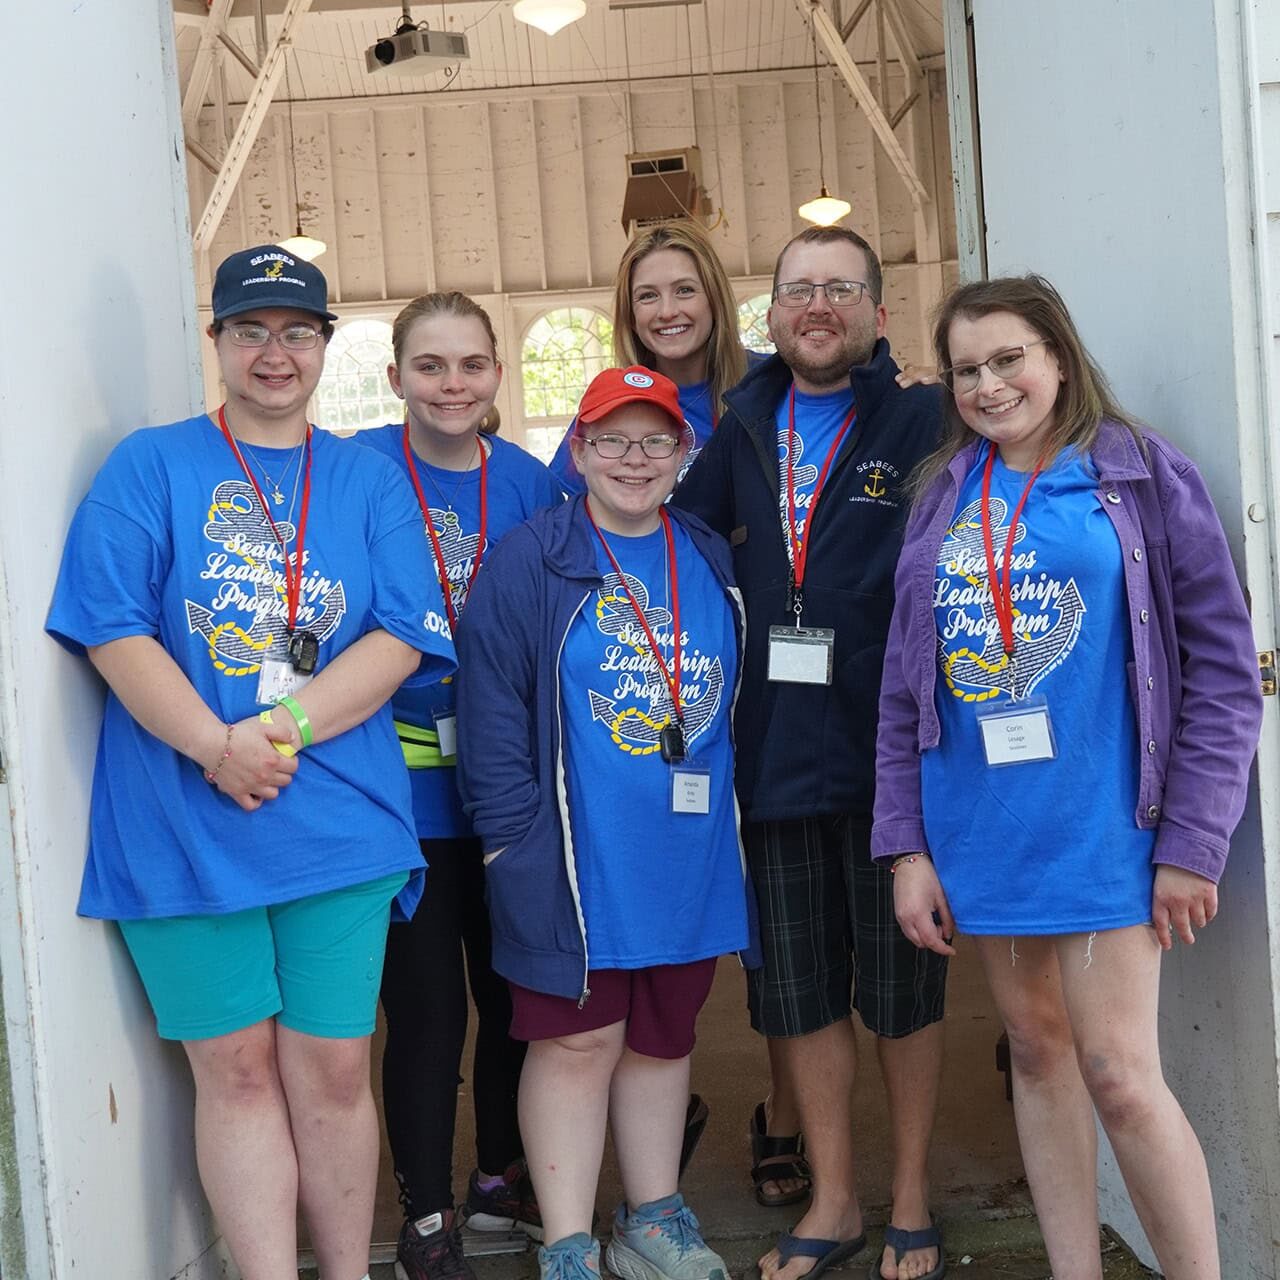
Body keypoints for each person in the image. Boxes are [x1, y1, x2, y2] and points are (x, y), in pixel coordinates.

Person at [46, 246, 456, 1280]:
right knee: (230, 1069)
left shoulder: (368, 477)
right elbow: (111, 625)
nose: (274, 352)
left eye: (297, 331)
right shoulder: (151, 465)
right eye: (250, 330)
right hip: (181, 822)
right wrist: (210, 746)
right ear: (218, 340)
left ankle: (347, 1270)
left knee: (328, 1065)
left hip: (337, 819)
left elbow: (400, 635)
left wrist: (275, 737)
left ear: (325, 344)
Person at [873, 274, 1262, 1280]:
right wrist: (905, 845)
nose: (989, 384)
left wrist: (1190, 840)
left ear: (1056, 355)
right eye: (965, 369)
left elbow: (1223, 673)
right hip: (980, 821)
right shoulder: (945, 494)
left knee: (1119, 1074)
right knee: (1035, 1050)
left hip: (1107, 826)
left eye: (1007, 358)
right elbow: (901, 688)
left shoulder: (1136, 476)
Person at [673, 226, 949, 1280]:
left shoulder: (925, 415)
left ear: (877, 311)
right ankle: (833, 1199)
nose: (817, 305)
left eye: (840, 287)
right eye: (797, 290)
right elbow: (670, 535)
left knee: (902, 989)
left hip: (894, 754)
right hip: (773, 753)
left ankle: (911, 1192)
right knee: (797, 992)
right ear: (771, 313)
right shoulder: (738, 424)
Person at [455, 366, 757, 1280]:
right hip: (573, 857)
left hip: (685, 848)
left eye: (655, 440)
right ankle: (567, 1243)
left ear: (682, 453)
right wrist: (511, 845)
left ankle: (652, 1220)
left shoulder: (704, 551)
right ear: (576, 450)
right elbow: (494, 718)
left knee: (666, 1036)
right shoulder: (529, 559)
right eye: (612, 439)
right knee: (577, 1040)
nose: (635, 458)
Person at [352, 291, 563, 1280]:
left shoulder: (525, 484)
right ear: (395, 377)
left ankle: (499, 1178)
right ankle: (425, 1212)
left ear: (495, 376)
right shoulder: (353, 476)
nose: (450, 384)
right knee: (427, 1010)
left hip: (506, 795)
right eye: (429, 366)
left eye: (470, 364)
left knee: (514, 995)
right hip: (398, 799)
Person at [548, 219, 761, 494]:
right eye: (648, 296)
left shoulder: (768, 384)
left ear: (715, 299)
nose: (667, 311)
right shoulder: (610, 405)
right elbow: (561, 518)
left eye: (685, 290)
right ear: (631, 317)